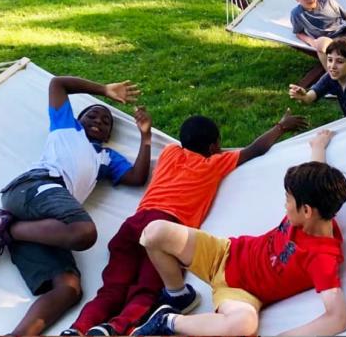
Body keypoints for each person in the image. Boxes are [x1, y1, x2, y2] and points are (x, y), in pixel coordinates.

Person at [61, 110, 308, 336]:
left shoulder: (170, 152)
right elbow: (254, 150)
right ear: (214, 146)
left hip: (133, 224)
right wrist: (280, 127)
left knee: (112, 287)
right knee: (147, 288)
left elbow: (203, 147)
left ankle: (78, 328)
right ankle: (115, 328)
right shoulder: (214, 164)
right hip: (165, 228)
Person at [0, 75, 153, 336]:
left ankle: (16, 334)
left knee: (69, 289)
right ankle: (3, 229)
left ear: (109, 134)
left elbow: (136, 177)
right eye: (92, 116)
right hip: (32, 188)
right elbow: (58, 84)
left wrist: (145, 137)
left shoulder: (106, 157)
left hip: (46, 227)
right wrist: (104, 89)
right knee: (84, 232)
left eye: (106, 121)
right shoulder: (66, 127)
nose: (99, 121)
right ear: (78, 120)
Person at [131, 129, 346, 336]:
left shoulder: (322, 257)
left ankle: (167, 321)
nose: (285, 205)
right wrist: (318, 145)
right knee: (153, 232)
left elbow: (337, 318)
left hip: (242, 293)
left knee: (244, 324)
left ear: (307, 210)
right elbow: (316, 171)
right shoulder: (315, 204)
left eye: (288, 199)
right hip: (224, 252)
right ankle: (179, 295)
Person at [288, 37, 346, 117]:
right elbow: (310, 97)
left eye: (340, 61)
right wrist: (304, 96)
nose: (332, 66)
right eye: (330, 60)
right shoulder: (331, 77)